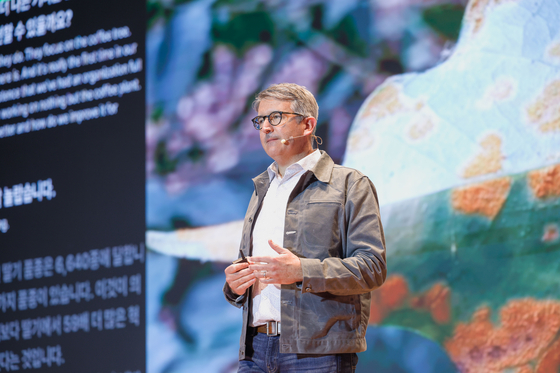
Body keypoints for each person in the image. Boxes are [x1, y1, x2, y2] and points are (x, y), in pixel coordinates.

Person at [223, 83, 387, 373]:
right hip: (255, 350)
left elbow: (372, 266)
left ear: (307, 124)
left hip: (316, 351)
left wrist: (301, 271)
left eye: (275, 117)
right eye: (260, 121)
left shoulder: (349, 184)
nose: (265, 128)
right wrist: (235, 286)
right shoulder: (262, 188)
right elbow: (249, 270)